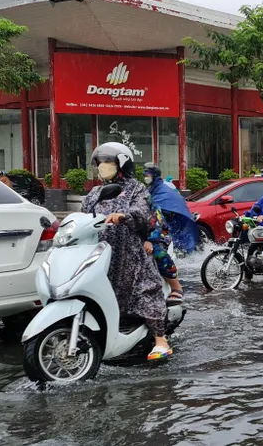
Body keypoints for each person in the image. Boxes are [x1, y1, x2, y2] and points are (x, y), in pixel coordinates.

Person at [83, 142, 171, 361]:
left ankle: (160, 339)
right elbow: (83, 215)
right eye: (100, 162)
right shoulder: (95, 192)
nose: (103, 166)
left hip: (129, 249)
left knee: (145, 289)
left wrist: (124, 216)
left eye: (108, 162)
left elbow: (142, 212)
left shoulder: (135, 188)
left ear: (122, 164)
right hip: (100, 251)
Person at [143, 163, 198, 254]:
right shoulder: (153, 188)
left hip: (170, 224)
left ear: (154, 175)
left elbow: (156, 206)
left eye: (147, 175)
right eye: (144, 175)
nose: (146, 178)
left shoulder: (162, 189)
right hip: (164, 223)